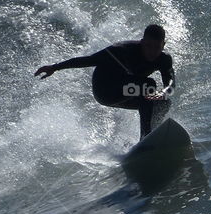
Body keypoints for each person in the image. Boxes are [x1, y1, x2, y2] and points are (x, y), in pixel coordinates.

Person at [35, 24, 175, 140]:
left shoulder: (164, 59)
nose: (152, 52)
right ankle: (146, 136)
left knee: (162, 103)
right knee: (149, 85)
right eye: (148, 46)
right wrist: (55, 67)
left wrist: (164, 92)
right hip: (105, 90)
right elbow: (88, 60)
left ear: (163, 45)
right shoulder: (122, 51)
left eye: (157, 47)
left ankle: (152, 138)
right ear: (142, 42)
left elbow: (170, 84)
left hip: (127, 93)